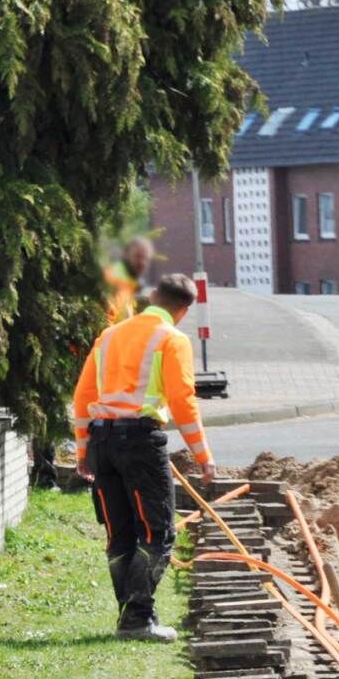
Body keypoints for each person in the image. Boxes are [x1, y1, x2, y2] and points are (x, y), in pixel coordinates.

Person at [72, 273, 215, 641]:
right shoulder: (171, 338)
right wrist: (203, 457)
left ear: (153, 297)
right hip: (139, 441)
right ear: (183, 311)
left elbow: (84, 394)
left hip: (103, 440)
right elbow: (183, 400)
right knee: (157, 532)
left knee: (119, 533)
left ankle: (130, 616)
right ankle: (138, 619)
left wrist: (84, 448)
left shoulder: (110, 335)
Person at [103, 238, 153, 326]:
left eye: (145, 258)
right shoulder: (116, 280)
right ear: (125, 255)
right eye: (138, 256)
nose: (142, 262)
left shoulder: (128, 282)